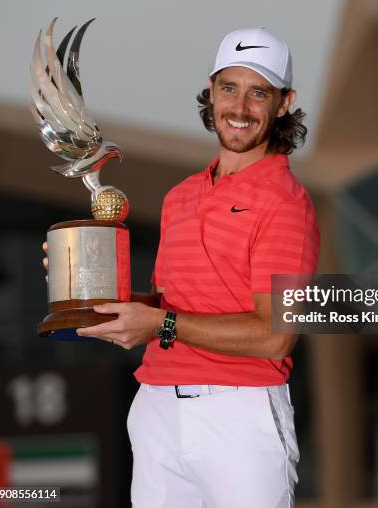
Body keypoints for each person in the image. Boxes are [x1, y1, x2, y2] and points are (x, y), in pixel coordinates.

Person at [43, 27, 320, 508]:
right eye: (229, 88)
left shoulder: (286, 204)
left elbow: (275, 335)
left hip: (240, 413)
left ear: (283, 103)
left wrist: (161, 323)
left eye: (259, 93)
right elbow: (166, 306)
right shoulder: (181, 197)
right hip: (157, 407)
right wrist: (84, 276)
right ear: (210, 92)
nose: (240, 107)